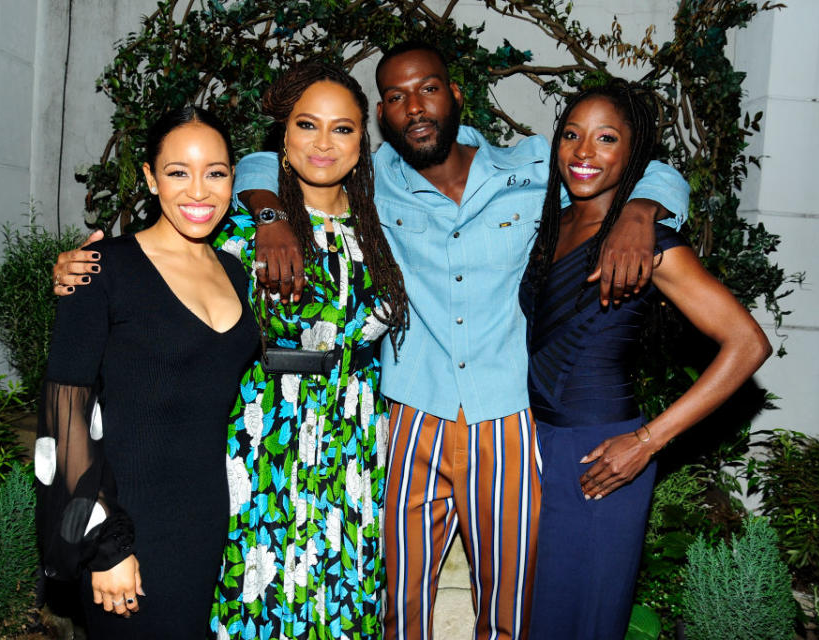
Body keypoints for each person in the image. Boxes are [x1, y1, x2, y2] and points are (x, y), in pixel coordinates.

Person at [53, 43, 689, 640]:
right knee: (318, 603)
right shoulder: (282, 207)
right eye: (393, 97)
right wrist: (97, 267)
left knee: (462, 601)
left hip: (410, 426)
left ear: (454, 95)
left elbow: (627, 158)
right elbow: (214, 186)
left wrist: (642, 210)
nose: (412, 108)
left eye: (428, 90)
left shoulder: (517, 169)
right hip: (299, 432)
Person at [519, 80, 771, 639]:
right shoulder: (550, 223)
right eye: (571, 135)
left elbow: (748, 343)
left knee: (583, 623)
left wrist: (649, 441)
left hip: (602, 457)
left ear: (633, 154)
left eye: (606, 138)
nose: (583, 153)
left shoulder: (648, 240)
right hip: (529, 449)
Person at [35, 106, 259, 639]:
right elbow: (65, 416)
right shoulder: (101, 268)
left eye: (217, 172)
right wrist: (105, 544)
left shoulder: (233, 268)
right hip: (126, 521)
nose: (199, 191)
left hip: (205, 518)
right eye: (178, 171)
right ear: (150, 178)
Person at [204, 61, 407, 640]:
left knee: (345, 589)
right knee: (260, 589)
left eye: (342, 129)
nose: (324, 143)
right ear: (283, 141)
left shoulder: (385, 225)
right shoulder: (240, 228)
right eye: (307, 126)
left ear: (362, 141)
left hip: (357, 435)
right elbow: (162, 280)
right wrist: (87, 274)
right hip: (262, 430)